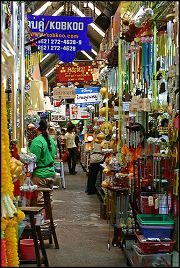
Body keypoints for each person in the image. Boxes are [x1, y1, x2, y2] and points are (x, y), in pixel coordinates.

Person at [29, 119, 57, 204]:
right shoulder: (51, 140)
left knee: (39, 201)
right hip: (51, 173)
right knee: (48, 200)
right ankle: (48, 216)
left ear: (36, 128)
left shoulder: (37, 141)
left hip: (40, 175)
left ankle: (41, 217)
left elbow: (33, 159)